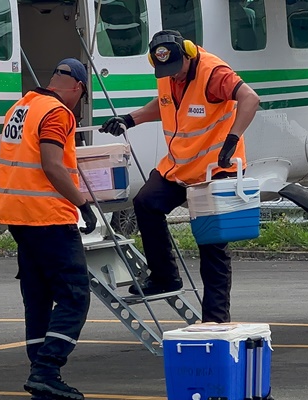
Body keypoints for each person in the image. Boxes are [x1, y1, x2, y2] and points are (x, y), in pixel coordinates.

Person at [99, 30, 260, 324]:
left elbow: (250, 98)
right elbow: (164, 105)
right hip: (180, 166)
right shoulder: (167, 72)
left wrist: (233, 139)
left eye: (178, 69)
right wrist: (129, 119)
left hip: (216, 169)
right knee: (146, 202)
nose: (174, 76)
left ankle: (215, 320)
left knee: (211, 245)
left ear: (188, 52)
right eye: (167, 72)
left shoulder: (213, 73)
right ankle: (164, 277)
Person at [0, 58, 97, 400]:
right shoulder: (57, 113)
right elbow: (52, 165)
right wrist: (82, 203)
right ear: (78, 88)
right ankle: (47, 370)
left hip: (16, 215)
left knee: (37, 297)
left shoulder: (21, 107)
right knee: (75, 296)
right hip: (47, 215)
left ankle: (40, 376)